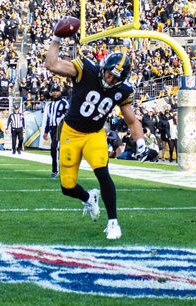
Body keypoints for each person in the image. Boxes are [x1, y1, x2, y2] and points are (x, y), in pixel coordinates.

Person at [46, 29, 148, 240]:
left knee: (102, 172)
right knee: (67, 187)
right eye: (109, 73)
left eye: (115, 78)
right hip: (71, 133)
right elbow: (52, 64)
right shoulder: (85, 69)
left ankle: (113, 223)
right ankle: (88, 197)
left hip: (94, 134)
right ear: (104, 68)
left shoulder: (122, 91)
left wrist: (140, 142)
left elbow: (131, 120)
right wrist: (56, 39)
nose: (110, 79)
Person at [43, 84, 69, 178]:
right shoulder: (50, 105)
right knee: (54, 149)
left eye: (56, 91)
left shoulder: (64, 103)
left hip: (62, 128)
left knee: (58, 149)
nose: (55, 92)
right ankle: (56, 169)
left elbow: (68, 117)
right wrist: (46, 131)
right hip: (53, 128)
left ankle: (57, 170)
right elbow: (48, 119)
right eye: (53, 91)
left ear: (60, 91)